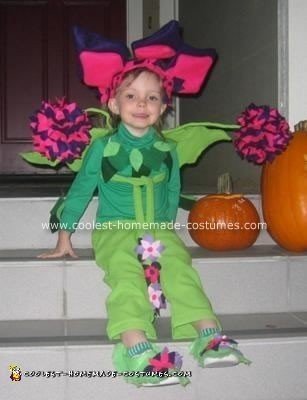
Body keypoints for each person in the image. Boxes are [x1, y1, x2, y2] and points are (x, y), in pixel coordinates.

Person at [38, 21, 250, 387]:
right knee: (127, 276)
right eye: (131, 95)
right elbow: (81, 189)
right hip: (114, 231)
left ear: (164, 107)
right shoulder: (102, 148)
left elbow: (170, 193)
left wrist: (164, 231)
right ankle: (135, 347)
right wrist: (64, 235)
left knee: (180, 271)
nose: (141, 104)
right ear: (113, 103)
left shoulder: (168, 150)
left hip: (156, 229)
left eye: (152, 97)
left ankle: (209, 336)